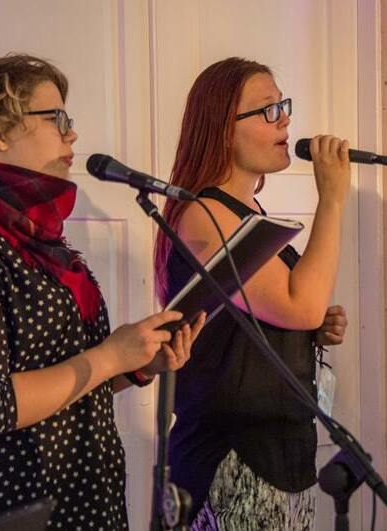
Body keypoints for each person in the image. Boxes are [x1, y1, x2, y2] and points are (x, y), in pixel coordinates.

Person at [0, 54, 205, 530]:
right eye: (56, 118)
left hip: (84, 503)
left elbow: (66, 379)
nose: (72, 134)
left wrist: (137, 364)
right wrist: (109, 355)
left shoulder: (37, 241)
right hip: (8, 512)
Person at [153, 57, 350, 529]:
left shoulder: (249, 214)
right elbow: (301, 305)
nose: (284, 120)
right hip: (231, 457)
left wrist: (307, 331)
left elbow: (282, 313)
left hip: (278, 454)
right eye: (267, 110)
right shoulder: (204, 214)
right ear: (223, 129)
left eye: (283, 106)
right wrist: (332, 199)